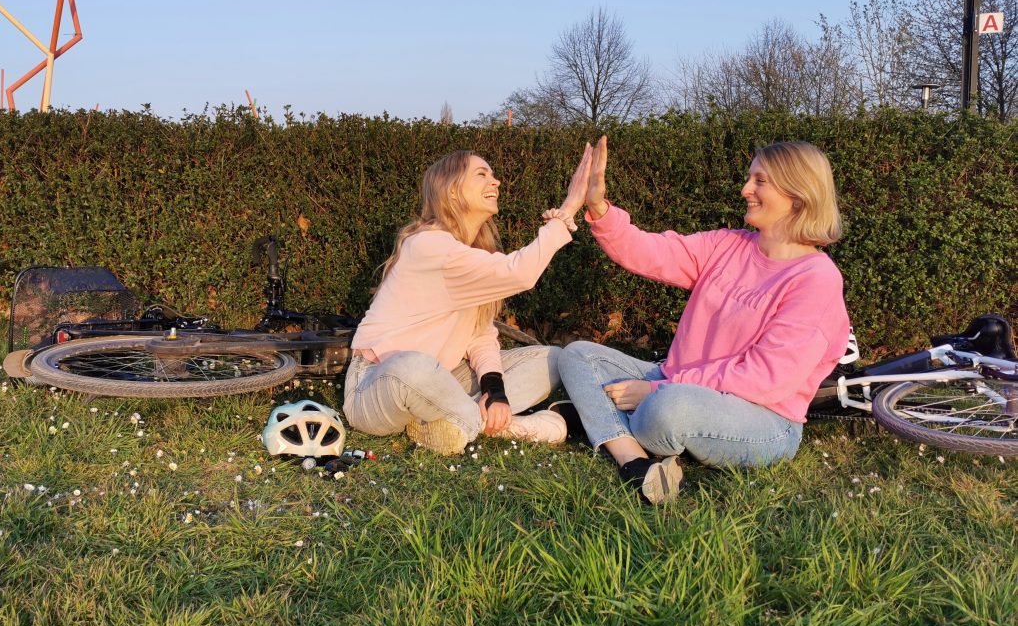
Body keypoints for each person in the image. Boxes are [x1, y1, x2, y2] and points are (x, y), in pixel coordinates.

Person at [558, 137, 851, 504]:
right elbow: (651, 252)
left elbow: (764, 380)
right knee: (578, 356)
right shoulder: (727, 245)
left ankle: (596, 419)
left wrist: (658, 390)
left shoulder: (815, 279)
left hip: (764, 419)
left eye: (760, 181)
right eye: (749, 179)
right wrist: (599, 207)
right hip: (676, 382)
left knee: (665, 411)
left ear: (797, 194)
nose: (745, 190)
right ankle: (633, 463)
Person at [344, 145, 592, 456]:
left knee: (553, 359)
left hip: (445, 380)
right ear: (451, 191)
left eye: (493, 174)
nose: (496, 182)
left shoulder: (473, 253)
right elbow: (520, 273)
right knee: (415, 366)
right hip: (378, 384)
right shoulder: (427, 245)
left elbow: (480, 335)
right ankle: (512, 427)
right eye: (481, 174)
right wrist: (568, 209)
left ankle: (448, 421)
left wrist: (495, 391)